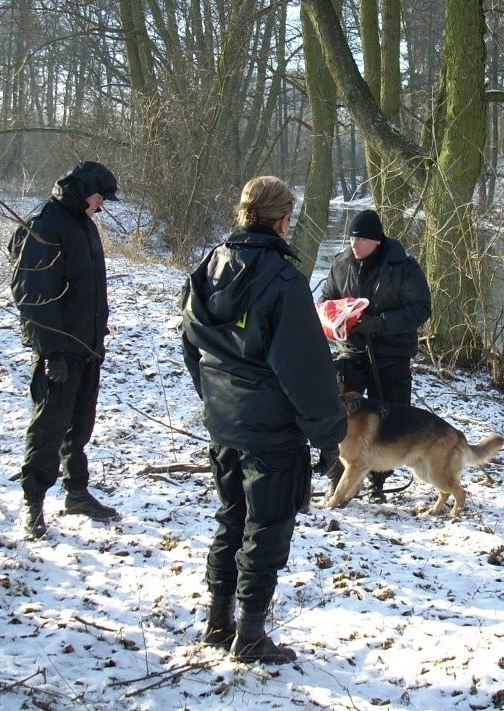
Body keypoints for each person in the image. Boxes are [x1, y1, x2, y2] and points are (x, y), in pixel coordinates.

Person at [180, 176, 346, 665]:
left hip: (225, 420)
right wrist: (328, 435)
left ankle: (218, 620)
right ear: (283, 219)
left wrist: (215, 400)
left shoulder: (209, 266)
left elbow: (191, 344)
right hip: (271, 428)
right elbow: (306, 369)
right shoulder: (283, 282)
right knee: (267, 526)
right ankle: (249, 635)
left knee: (231, 517)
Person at [8, 161, 121, 540]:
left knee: (80, 427)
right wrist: (50, 351)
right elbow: (33, 296)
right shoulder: (44, 224)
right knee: (49, 427)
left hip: (86, 346)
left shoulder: (82, 224)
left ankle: (76, 492)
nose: (102, 205)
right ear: (84, 190)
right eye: (100, 197)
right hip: (58, 351)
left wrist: (96, 338)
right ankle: (32, 504)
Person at [320, 209, 431, 502]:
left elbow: (421, 309)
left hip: (392, 355)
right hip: (352, 352)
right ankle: (337, 480)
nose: (355, 244)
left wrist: (380, 323)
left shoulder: (403, 266)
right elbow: (326, 299)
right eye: (353, 237)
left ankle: (378, 484)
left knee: (389, 422)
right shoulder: (341, 263)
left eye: (362, 239)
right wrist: (334, 316)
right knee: (341, 420)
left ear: (378, 241)